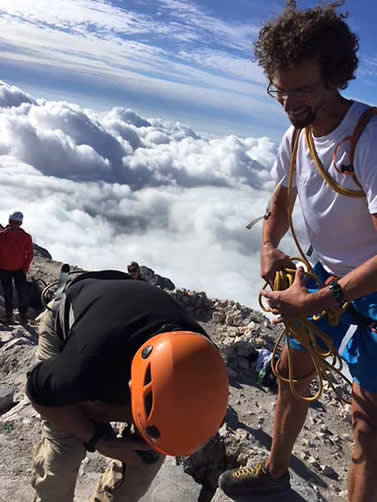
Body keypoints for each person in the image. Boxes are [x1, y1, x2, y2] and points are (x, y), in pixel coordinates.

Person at [219, 2, 377, 502]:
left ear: (336, 78)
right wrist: (269, 243)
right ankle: (274, 472)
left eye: (302, 90)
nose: (288, 103)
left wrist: (321, 300)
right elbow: (282, 196)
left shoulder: (369, 138)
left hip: (363, 289)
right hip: (327, 275)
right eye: (279, 90)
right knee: (291, 372)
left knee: (367, 424)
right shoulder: (295, 135)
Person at [26, 270, 228, 502]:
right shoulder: (87, 366)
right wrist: (98, 440)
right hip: (70, 314)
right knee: (64, 452)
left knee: (147, 455)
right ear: (130, 387)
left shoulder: (205, 363)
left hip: (122, 312)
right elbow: (37, 393)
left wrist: (150, 440)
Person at [0, 211, 33, 323]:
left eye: (17, 222)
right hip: (4, 269)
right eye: (12, 222)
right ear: (9, 222)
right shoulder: (1, 236)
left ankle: (22, 315)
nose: (14, 224)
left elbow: (30, 253)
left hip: (19, 269)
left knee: (21, 292)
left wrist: (25, 267)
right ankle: (9, 315)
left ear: (20, 223)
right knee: (8, 292)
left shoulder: (26, 237)